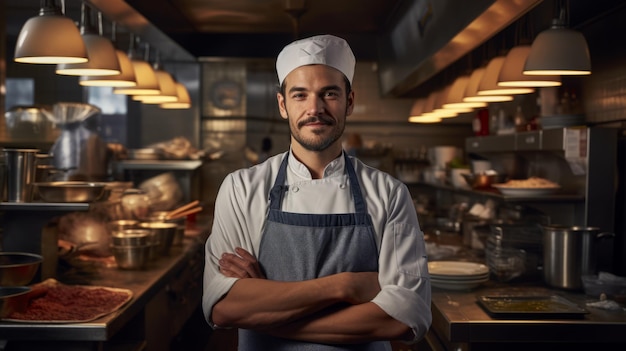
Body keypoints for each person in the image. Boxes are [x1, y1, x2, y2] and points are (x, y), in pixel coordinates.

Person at [202, 34, 431, 350]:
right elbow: (223, 308)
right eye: (300, 95)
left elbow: (404, 316)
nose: (315, 108)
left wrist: (266, 311)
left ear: (349, 101)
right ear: (283, 105)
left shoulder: (389, 193)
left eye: (329, 93)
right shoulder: (241, 188)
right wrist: (345, 285)